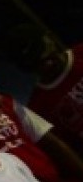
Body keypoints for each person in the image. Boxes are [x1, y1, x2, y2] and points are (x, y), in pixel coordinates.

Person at [6, 23, 83, 152]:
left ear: (50, 38)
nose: (48, 64)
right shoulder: (39, 108)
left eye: (47, 55)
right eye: (38, 63)